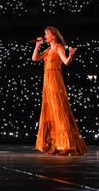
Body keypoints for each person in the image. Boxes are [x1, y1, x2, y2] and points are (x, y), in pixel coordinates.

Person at [31, 25, 87, 156]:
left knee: (59, 109)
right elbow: (34, 58)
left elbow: (66, 62)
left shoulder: (58, 47)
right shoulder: (48, 49)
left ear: (53, 35)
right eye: (45, 34)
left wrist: (71, 55)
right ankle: (54, 144)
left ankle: (66, 145)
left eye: (47, 34)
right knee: (50, 111)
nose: (45, 36)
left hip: (55, 80)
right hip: (47, 81)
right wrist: (38, 45)